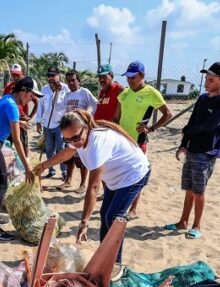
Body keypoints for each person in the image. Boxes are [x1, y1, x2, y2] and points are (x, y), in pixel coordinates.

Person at [32, 109, 150, 264]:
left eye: (76, 138)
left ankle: (115, 264)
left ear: (86, 127)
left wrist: (84, 223)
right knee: (104, 214)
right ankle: (103, 257)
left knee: (113, 218)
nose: (74, 143)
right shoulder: (78, 138)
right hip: (116, 178)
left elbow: (93, 188)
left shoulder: (97, 143)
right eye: (68, 140)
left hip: (133, 175)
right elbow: (67, 153)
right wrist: (44, 165)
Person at [163, 62, 220, 240]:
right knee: (189, 189)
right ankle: (183, 222)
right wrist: (184, 143)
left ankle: (196, 225)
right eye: (206, 79)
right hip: (192, 149)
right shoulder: (202, 98)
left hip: (207, 151)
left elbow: (211, 125)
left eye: (211, 79)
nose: (207, 82)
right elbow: (192, 121)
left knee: (199, 191)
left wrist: (188, 131)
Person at [0, 77, 42, 241]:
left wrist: (19, 123)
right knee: (1, 183)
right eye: (31, 95)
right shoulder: (13, 106)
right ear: (23, 91)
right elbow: (17, 139)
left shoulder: (7, 99)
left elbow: (3, 119)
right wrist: (27, 166)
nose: (32, 99)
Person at [116, 60, 172, 219]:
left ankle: (133, 209)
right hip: (122, 141)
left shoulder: (151, 93)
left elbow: (168, 114)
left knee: (137, 174)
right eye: (127, 77)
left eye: (133, 77)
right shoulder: (125, 94)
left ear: (142, 75)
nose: (130, 80)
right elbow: (116, 117)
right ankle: (121, 203)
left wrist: (151, 128)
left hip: (138, 141)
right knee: (120, 173)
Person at [59, 70, 97, 191]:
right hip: (69, 132)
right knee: (69, 158)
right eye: (68, 80)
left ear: (78, 80)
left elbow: (95, 104)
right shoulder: (68, 95)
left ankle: (82, 185)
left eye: (73, 80)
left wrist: (89, 118)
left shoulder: (84, 92)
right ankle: (68, 180)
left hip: (80, 132)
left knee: (81, 159)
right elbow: (65, 110)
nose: (71, 83)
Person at [35, 66, 69, 179]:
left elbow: (68, 106)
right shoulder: (44, 89)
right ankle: (51, 169)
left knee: (61, 148)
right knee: (49, 149)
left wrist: (58, 91)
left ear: (59, 76)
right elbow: (40, 106)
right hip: (47, 124)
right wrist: (38, 122)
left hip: (61, 124)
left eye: (53, 75)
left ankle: (64, 171)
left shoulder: (65, 88)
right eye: (49, 76)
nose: (51, 78)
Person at [3, 63, 36, 157]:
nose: (15, 77)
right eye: (13, 74)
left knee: (23, 144)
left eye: (17, 74)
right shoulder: (9, 87)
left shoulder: (27, 88)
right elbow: (5, 101)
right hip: (11, 119)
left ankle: (26, 161)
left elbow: (36, 102)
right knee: (8, 143)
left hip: (22, 119)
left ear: (22, 73)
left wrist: (29, 117)